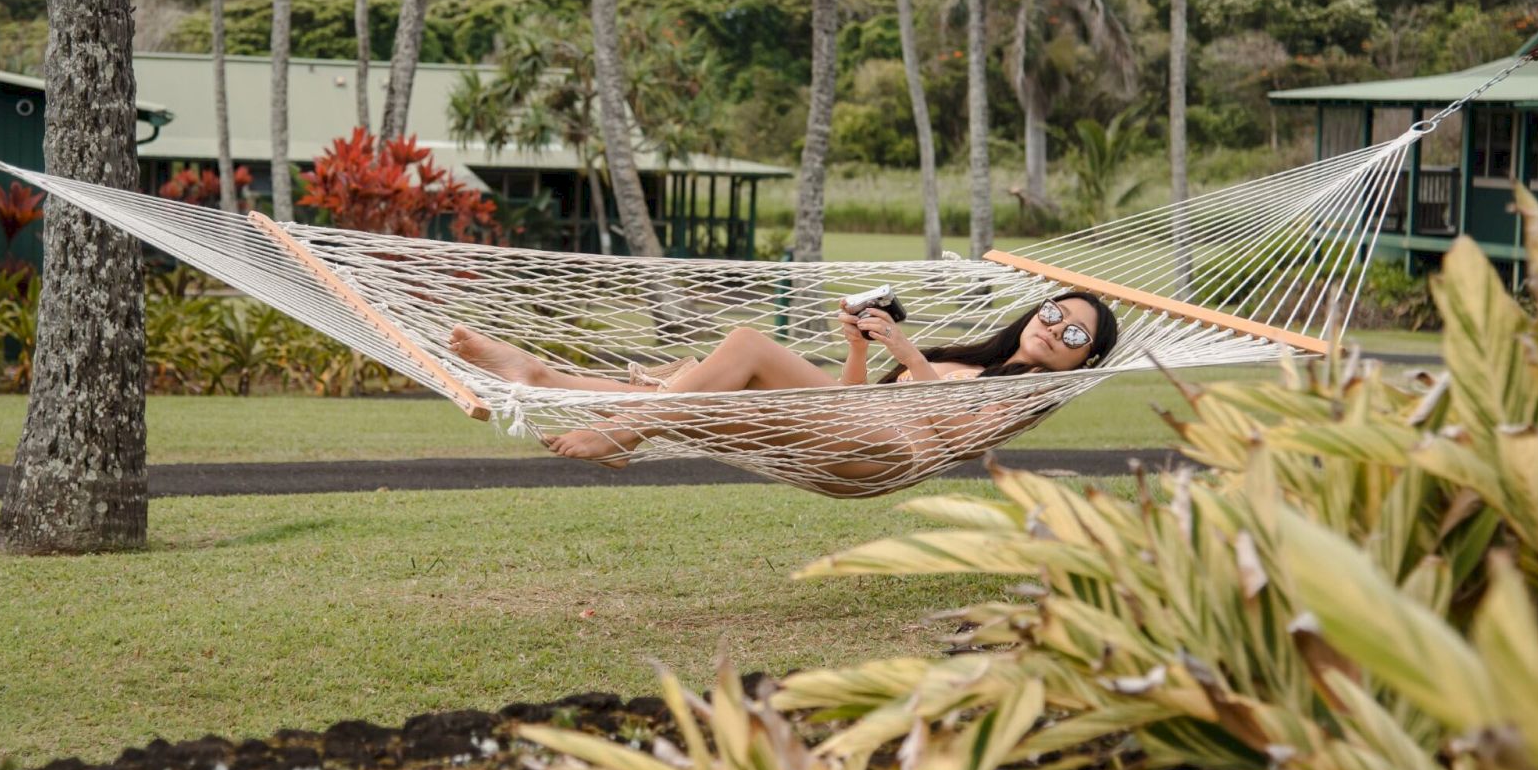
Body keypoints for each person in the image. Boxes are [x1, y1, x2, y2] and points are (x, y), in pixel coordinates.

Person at [446, 290, 1118, 479]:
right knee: (700, 390)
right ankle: (539, 376)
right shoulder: (979, 358)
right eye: (1056, 313)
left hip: (884, 454)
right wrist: (858, 350)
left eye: (1075, 335)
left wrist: (910, 355)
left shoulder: (1032, 393)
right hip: (856, 431)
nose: (1056, 329)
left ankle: (625, 430)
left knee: (743, 346)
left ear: (1082, 362)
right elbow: (858, 401)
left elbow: (954, 433)